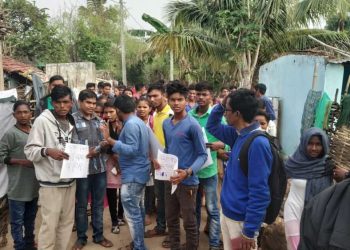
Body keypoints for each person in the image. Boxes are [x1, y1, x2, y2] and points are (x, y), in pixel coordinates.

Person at [206, 89, 273, 250]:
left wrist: (249, 231)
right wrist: (222, 104)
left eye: (226, 110)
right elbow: (212, 126)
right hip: (229, 213)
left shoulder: (258, 143)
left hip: (241, 222)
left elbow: (260, 192)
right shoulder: (238, 134)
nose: (224, 114)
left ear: (237, 114)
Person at [24, 85, 76, 250]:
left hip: (70, 181)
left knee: (66, 223)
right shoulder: (42, 121)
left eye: (66, 102)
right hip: (50, 184)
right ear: (52, 103)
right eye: (58, 102)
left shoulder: (71, 120)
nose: (62, 106)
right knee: (49, 225)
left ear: (71, 103)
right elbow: (30, 151)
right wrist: (47, 151)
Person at [100, 95, 151, 250]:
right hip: (139, 172)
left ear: (119, 110)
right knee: (138, 211)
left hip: (133, 175)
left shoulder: (131, 125)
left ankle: (139, 247)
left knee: (133, 215)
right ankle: (138, 244)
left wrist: (110, 140)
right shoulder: (137, 122)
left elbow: (132, 150)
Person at [162, 81, 207, 250]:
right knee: (171, 219)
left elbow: (203, 155)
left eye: (180, 99)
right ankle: (174, 247)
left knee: (189, 222)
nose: (176, 103)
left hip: (188, 182)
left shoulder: (193, 125)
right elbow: (168, 147)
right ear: (168, 100)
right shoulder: (166, 123)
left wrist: (187, 172)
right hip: (171, 179)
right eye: (172, 99)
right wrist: (162, 163)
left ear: (186, 100)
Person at [71, 90, 113, 249]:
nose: (91, 106)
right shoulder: (72, 120)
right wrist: (95, 148)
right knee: (81, 205)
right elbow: (73, 143)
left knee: (98, 204)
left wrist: (100, 146)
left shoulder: (100, 121)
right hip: (81, 170)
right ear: (80, 102)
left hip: (100, 169)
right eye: (88, 103)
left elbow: (106, 141)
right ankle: (81, 238)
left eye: (94, 103)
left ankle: (99, 236)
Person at [283, 127, 333, 250]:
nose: (314, 148)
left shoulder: (327, 166)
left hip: (315, 216)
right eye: (310, 143)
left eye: (318, 144)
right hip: (293, 210)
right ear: (304, 143)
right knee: (295, 246)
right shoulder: (294, 162)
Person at [0, 101, 39, 250]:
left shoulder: (35, 131)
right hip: (17, 188)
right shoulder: (11, 134)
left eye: (25, 112)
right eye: (19, 112)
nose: (23, 115)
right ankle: (19, 246)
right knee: (17, 222)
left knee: (30, 220)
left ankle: (30, 244)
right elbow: (0, 155)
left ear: (31, 114)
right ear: (14, 115)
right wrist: (20, 161)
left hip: (34, 186)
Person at [188, 82, 223, 250]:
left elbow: (230, 140)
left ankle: (214, 245)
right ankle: (193, 243)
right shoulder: (189, 115)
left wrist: (221, 145)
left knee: (212, 209)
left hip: (209, 171)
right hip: (192, 170)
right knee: (193, 209)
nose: (200, 97)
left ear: (211, 96)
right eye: (198, 94)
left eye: (204, 94)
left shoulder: (217, 117)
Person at [145, 83, 173, 247]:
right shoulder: (154, 115)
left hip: (170, 163)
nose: (152, 99)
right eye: (150, 96)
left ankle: (172, 230)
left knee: (170, 200)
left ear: (164, 95)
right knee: (161, 198)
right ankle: (161, 227)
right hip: (157, 163)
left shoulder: (171, 113)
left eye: (155, 96)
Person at [103, 101, 124, 235]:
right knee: (111, 193)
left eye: (111, 112)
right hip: (110, 162)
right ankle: (114, 221)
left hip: (124, 162)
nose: (108, 115)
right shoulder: (102, 126)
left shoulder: (125, 125)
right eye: (106, 112)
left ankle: (121, 216)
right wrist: (113, 154)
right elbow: (104, 144)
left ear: (117, 111)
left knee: (123, 192)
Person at [136, 97, 155, 226]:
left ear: (150, 109)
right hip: (138, 159)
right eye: (139, 107)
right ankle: (140, 211)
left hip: (153, 158)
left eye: (145, 107)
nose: (142, 109)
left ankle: (148, 212)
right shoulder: (133, 122)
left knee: (151, 187)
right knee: (140, 186)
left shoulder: (153, 121)